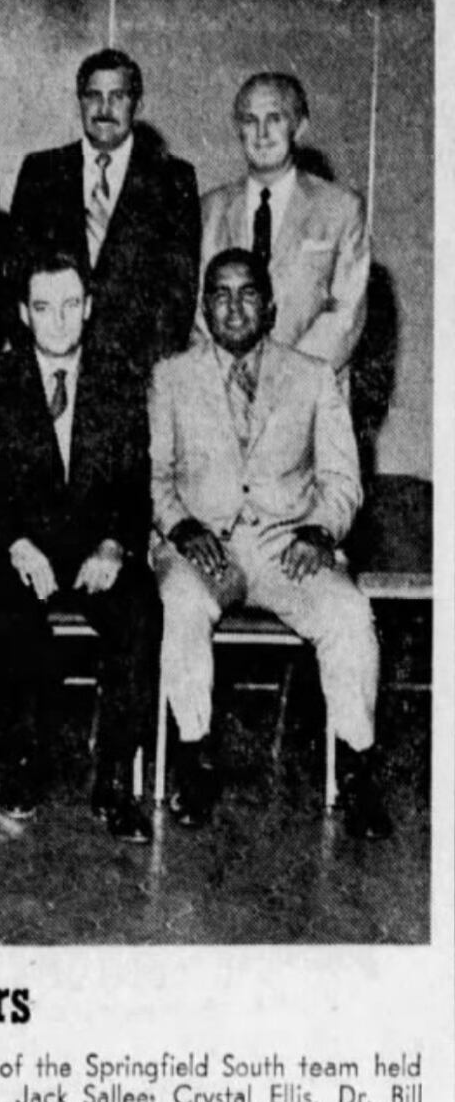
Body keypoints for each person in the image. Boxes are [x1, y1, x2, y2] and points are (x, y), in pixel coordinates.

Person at [151, 248, 391, 840]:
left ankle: (356, 769)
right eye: (220, 294)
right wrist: (180, 526)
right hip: (201, 545)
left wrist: (320, 531)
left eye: (248, 292)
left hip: (287, 547)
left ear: (272, 305)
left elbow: (342, 481)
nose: (234, 306)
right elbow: (154, 477)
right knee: (181, 603)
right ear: (204, 307)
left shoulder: (313, 376)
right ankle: (193, 757)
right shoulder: (171, 377)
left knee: (350, 610)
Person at [0, 248, 158, 843]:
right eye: (42, 307)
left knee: (140, 610)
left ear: (87, 308)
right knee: (10, 610)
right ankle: (24, 763)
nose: (57, 321)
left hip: (94, 549)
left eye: (69, 306)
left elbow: (135, 484)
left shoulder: (120, 381)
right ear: (23, 313)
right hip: (22, 546)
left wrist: (113, 546)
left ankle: (113, 780)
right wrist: (12, 542)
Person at [10, 48, 199, 377]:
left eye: (118, 96)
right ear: (79, 102)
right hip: (55, 363)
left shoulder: (172, 179)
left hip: (138, 369)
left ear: (137, 106)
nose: (104, 108)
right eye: (93, 96)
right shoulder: (41, 172)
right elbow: (17, 275)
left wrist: (150, 370)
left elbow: (179, 290)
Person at [196, 72, 369, 373]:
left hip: (310, 397)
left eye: (274, 118)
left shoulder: (341, 208)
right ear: (238, 129)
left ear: (300, 127)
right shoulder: (209, 209)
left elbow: (345, 314)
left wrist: (280, 379)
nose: (262, 133)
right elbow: (197, 309)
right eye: (250, 120)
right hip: (224, 398)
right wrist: (231, 379)